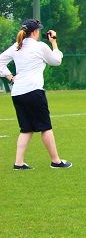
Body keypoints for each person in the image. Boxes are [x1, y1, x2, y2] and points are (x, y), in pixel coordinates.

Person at [0, 19, 72, 170]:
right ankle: (56, 161)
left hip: (18, 93)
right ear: (35, 32)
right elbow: (56, 61)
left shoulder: (17, 46)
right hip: (33, 91)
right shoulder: (40, 46)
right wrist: (54, 42)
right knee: (45, 127)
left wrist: (10, 77)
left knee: (26, 128)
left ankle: (19, 163)